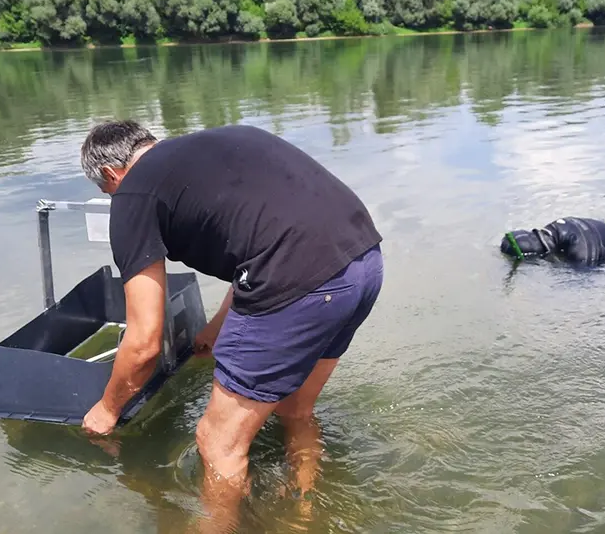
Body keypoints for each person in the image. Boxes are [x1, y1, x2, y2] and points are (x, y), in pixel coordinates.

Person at [76, 121, 384, 530]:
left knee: (216, 442)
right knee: (295, 410)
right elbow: (260, 239)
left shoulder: (132, 193)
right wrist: (219, 326)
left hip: (299, 284)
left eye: (107, 191)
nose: (113, 198)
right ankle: (306, 514)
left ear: (111, 174)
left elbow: (145, 341)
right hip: (363, 262)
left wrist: (107, 409)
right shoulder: (224, 140)